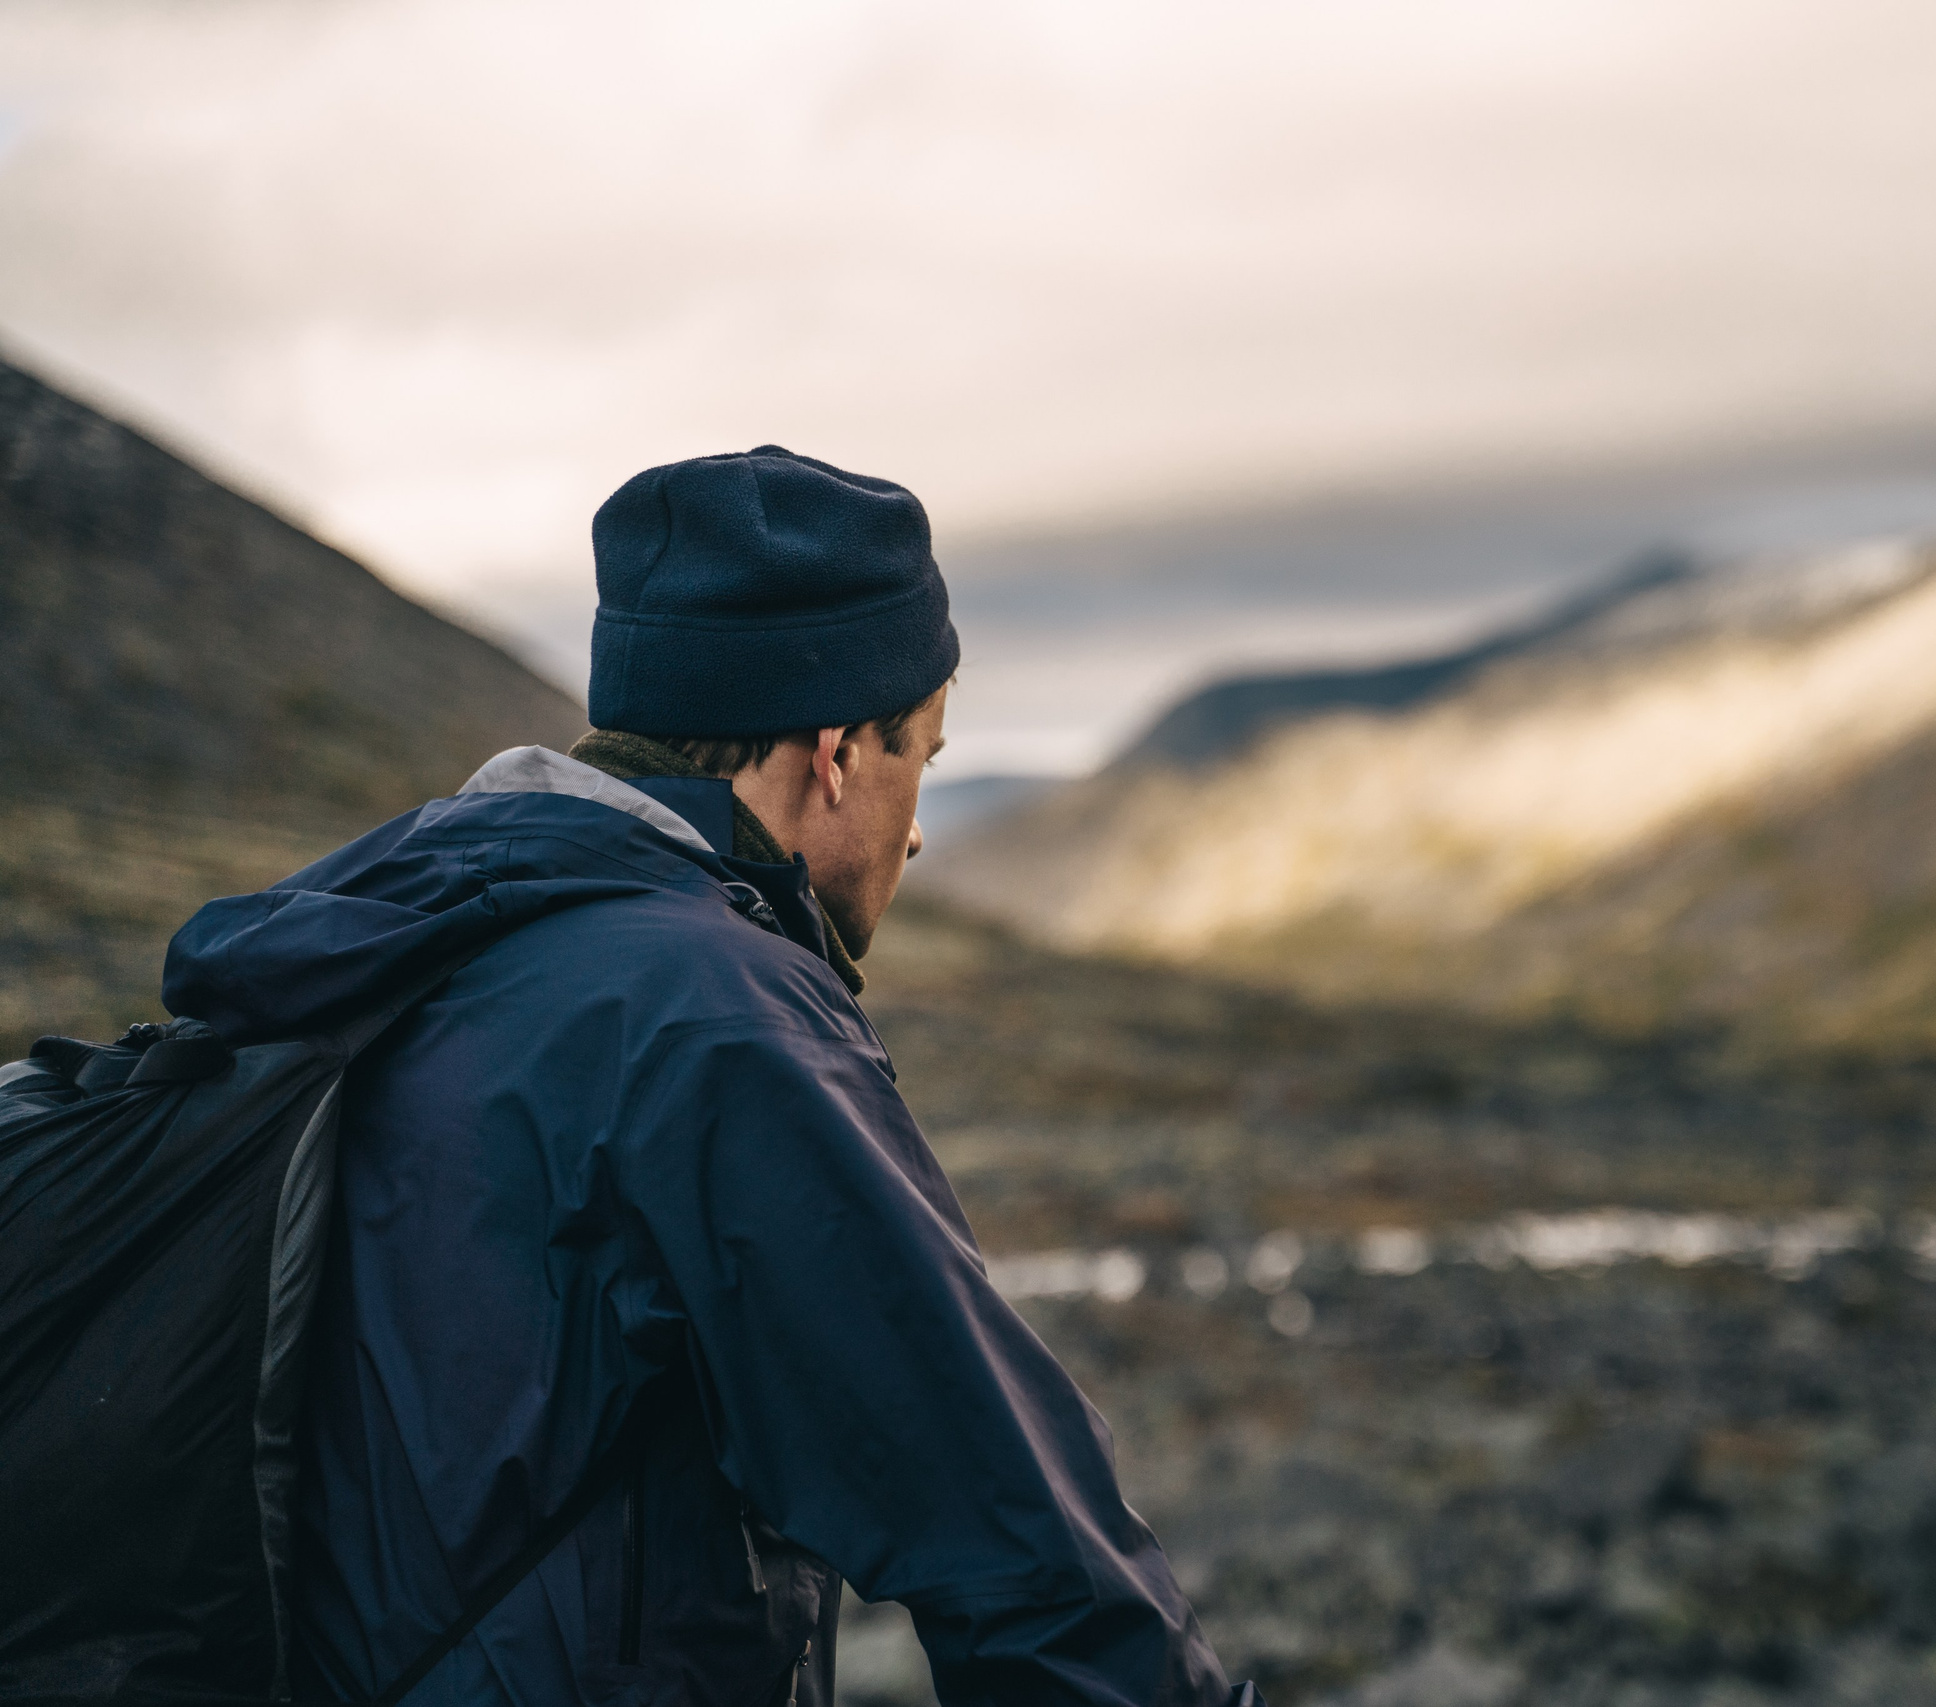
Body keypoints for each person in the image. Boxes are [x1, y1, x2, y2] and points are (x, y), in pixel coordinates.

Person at [162, 447, 1259, 1706]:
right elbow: (1009, 1535)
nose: (914, 830)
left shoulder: (395, 938)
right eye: (925, 761)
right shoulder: (716, 1019)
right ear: (838, 751)